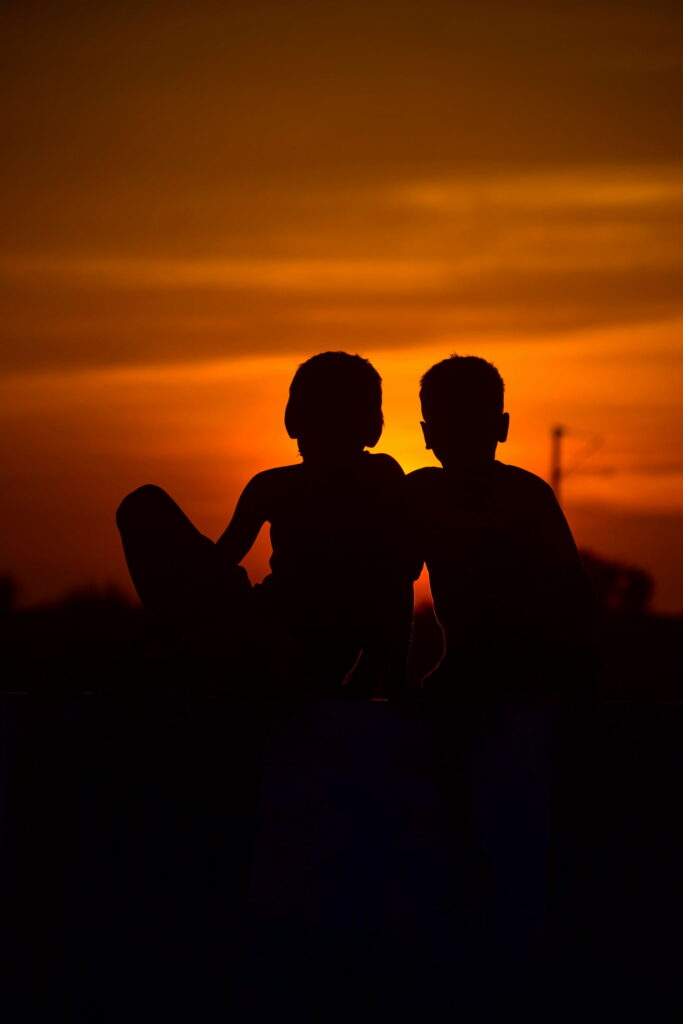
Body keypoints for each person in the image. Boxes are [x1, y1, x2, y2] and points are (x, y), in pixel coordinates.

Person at [116, 351, 412, 694]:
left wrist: (383, 676)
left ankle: (186, 651)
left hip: (299, 647)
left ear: (292, 419)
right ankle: (182, 645)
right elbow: (216, 567)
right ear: (374, 425)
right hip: (260, 623)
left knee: (144, 506)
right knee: (145, 504)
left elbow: (398, 576)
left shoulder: (379, 477)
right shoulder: (272, 485)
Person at [406, 354, 593, 699]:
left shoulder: (526, 494)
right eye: (454, 424)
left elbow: (571, 593)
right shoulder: (422, 493)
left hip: (536, 674)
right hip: (489, 672)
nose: (462, 436)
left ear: (427, 434)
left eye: (470, 423)